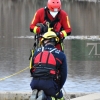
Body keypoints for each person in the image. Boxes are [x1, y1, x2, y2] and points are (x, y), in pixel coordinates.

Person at [30, 31, 67, 100]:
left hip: (34, 83)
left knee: (43, 91)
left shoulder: (36, 52)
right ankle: (45, 97)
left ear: (44, 41)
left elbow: (32, 70)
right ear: (55, 41)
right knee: (59, 97)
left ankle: (37, 96)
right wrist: (58, 88)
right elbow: (63, 75)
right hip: (49, 85)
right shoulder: (61, 55)